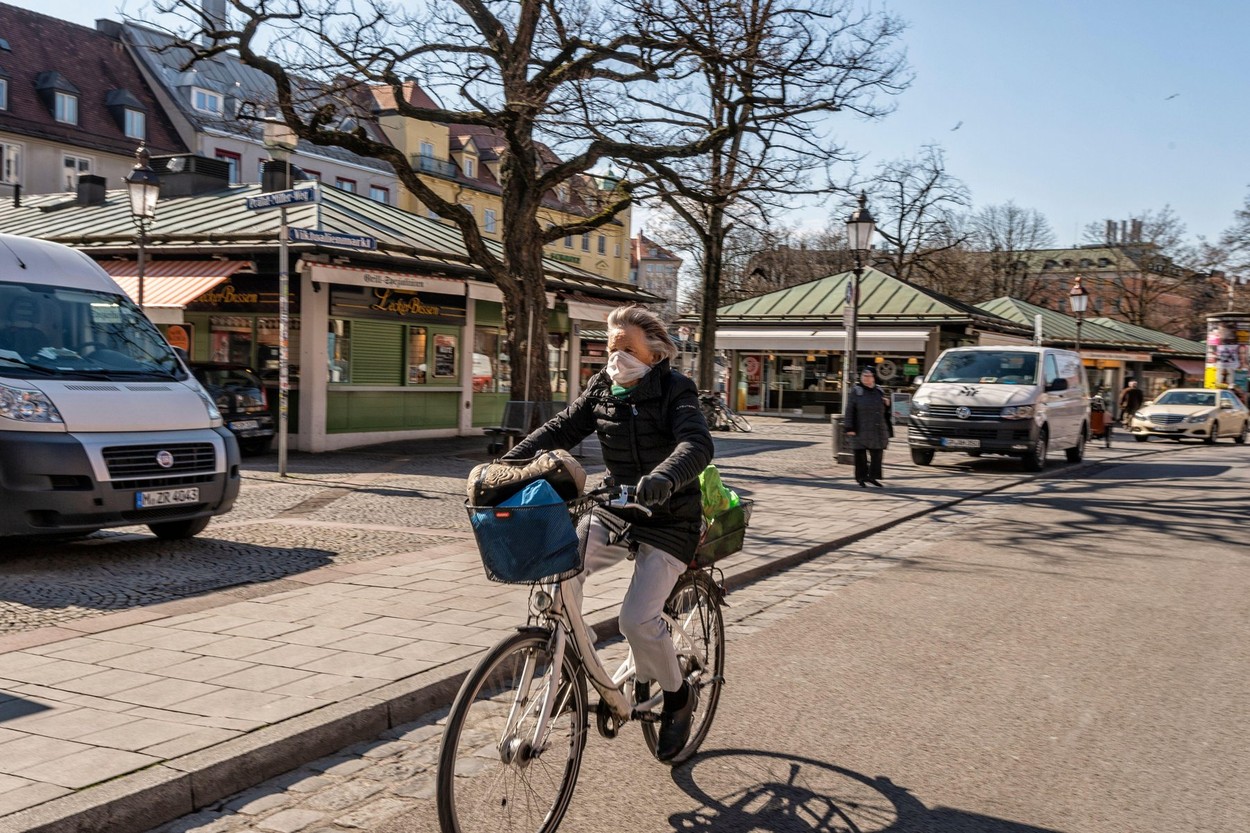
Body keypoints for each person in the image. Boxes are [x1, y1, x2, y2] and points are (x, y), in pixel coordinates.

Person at [501, 304, 714, 762]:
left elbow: (696, 443)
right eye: (610, 347)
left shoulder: (678, 389)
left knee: (636, 620)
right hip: (616, 507)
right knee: (560, 572)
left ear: (654, 355)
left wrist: (665, 477)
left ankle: (679, 698)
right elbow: (561, 428)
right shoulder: (603, 387)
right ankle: (573, 665)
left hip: (670, 517)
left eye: (625, 348)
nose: (614, 357)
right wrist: (507, 466)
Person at [844, 366, 891, 488]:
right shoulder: (856, 391)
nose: (865, 378)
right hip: (860, 428)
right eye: (864, 376)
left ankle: (872, 476)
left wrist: (887, 405)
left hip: (876, 428)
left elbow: (884, 412)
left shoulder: (879, 391)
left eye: (868, 376)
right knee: (860, 455)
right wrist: (849, 427)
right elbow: (850, 410)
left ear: (874, 377)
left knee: (877, 454)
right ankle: (861, 477)